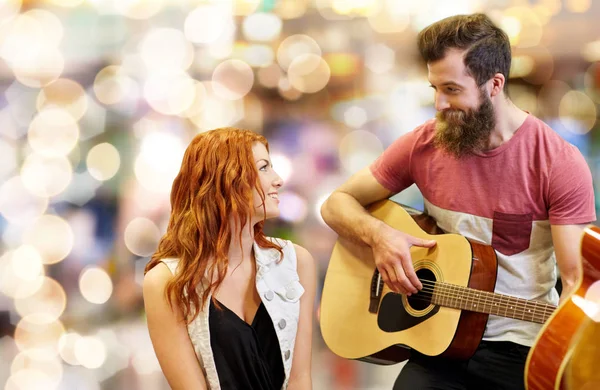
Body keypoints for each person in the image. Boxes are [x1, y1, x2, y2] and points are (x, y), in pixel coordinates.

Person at [320, 13, 595, 390]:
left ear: (494, 84)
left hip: (518, 348)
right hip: (437, 342)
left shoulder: (557, 163)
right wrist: (379, 236)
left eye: (451, 89)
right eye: (434, 88)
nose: (438, 103)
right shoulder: (424, 143)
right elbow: (336, 203)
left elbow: (577, 282)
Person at [143, 127, 316, 390]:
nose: (278, 180)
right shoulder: (166, 281)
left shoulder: (295, 262)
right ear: (226, 179)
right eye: (264, 168)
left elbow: (300, 379)